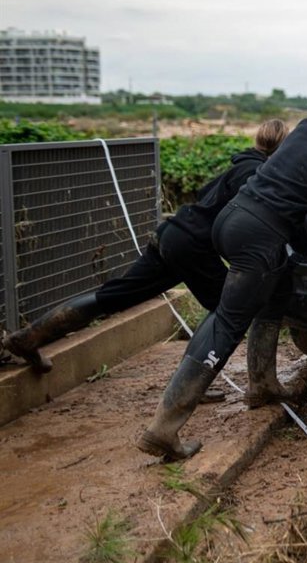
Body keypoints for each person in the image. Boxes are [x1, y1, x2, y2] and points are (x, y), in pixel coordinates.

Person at [137, 93, 307, 461]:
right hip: (259, 238)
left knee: (275, 287)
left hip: (231, 220)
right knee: (227, 323)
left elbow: (306, 232)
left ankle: (262, 384)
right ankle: (163, 429)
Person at [1, 119, 289, 374]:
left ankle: (27, 338)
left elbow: (205, 197)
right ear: (285, 149)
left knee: (112, 297)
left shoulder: (239, 164)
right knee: (226, 310)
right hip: (192, 246)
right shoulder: (257, 174)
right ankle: (189, 381)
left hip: (172, 232)